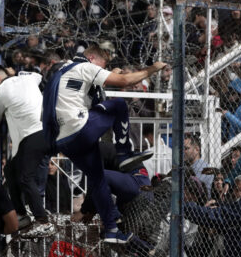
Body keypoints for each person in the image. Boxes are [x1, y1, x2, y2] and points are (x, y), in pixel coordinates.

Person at [43, 45, 166, 243]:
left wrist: (111, 73)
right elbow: (125, 80)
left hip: (64, 140)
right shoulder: (85, 67)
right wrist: (153, 68)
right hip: (79, 128)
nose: (104, 70)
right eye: (103, 65)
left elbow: (96, 92)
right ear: (92, 58)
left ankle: (111, 230)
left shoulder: (65, 71)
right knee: (118, 105)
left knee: (97, 178)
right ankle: (125, 155)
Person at [0, 64, 54, 238]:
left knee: (24, 177)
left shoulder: (0, 93)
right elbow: (39, 76)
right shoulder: (29, 77)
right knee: (10, 169)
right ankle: (22, 215)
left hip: (32, 136)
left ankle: (42, 221)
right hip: (44, 133)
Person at [184, 174, 241, 257]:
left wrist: (184, 207)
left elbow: (213, 216)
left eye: (238, 190)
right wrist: (218, 204)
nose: (234, 192)